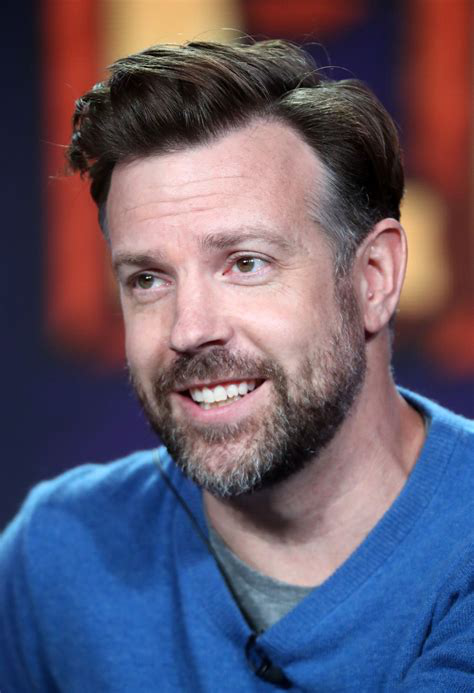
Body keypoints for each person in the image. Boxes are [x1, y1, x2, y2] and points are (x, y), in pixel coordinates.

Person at [1, 39, 473, 692]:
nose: (189, 330)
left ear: (373, 277)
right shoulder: (59, 553)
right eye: (148, 279)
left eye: (246, 263)